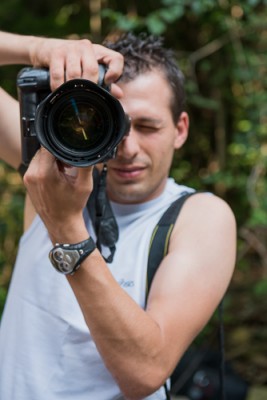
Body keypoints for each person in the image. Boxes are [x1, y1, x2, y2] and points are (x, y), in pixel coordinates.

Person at [0, 31, 236, 400]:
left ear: (180, 129)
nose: (127, 147)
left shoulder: (198, 217)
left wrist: (66, 229)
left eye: (147, 126)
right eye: (112, 123)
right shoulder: (47, 176)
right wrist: (37, 48)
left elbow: (144, 373)